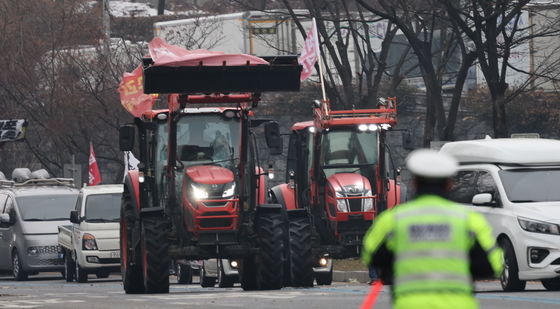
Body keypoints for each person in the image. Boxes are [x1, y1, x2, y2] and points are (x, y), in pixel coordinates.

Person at [361, 149, 503, 309]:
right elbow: (493, 265)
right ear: (449, 183)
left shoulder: (393, 220)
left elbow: (370, 254)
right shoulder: (469, 221)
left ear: (414, 182)